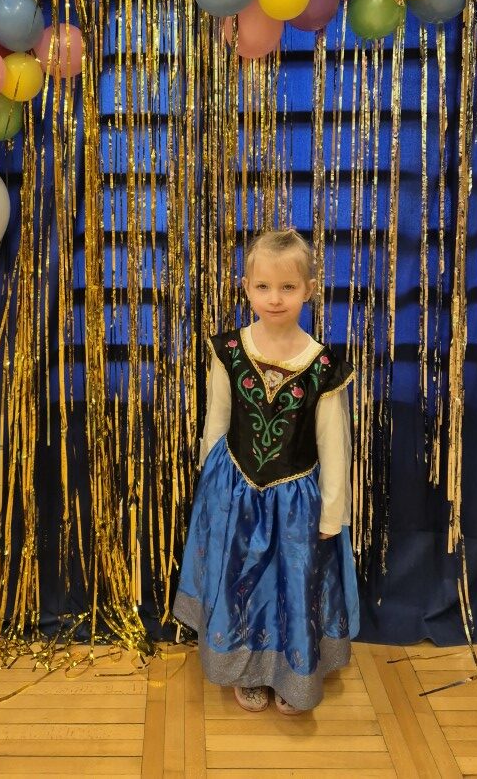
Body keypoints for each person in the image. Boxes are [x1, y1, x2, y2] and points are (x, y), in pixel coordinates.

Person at [173, 228, 359, 714]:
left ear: (309, 290)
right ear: (246, 288)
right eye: (263, 287)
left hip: (296, 502)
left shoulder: (322, 366)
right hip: (236, 493)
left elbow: (333, 444)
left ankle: (291, 675)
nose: (275, 298)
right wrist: (212, 485)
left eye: (288, 287)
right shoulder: (230, 352)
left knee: (290, 588)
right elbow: (216, 421)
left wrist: (332, 511)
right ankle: (246, 670)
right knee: (242, 584)